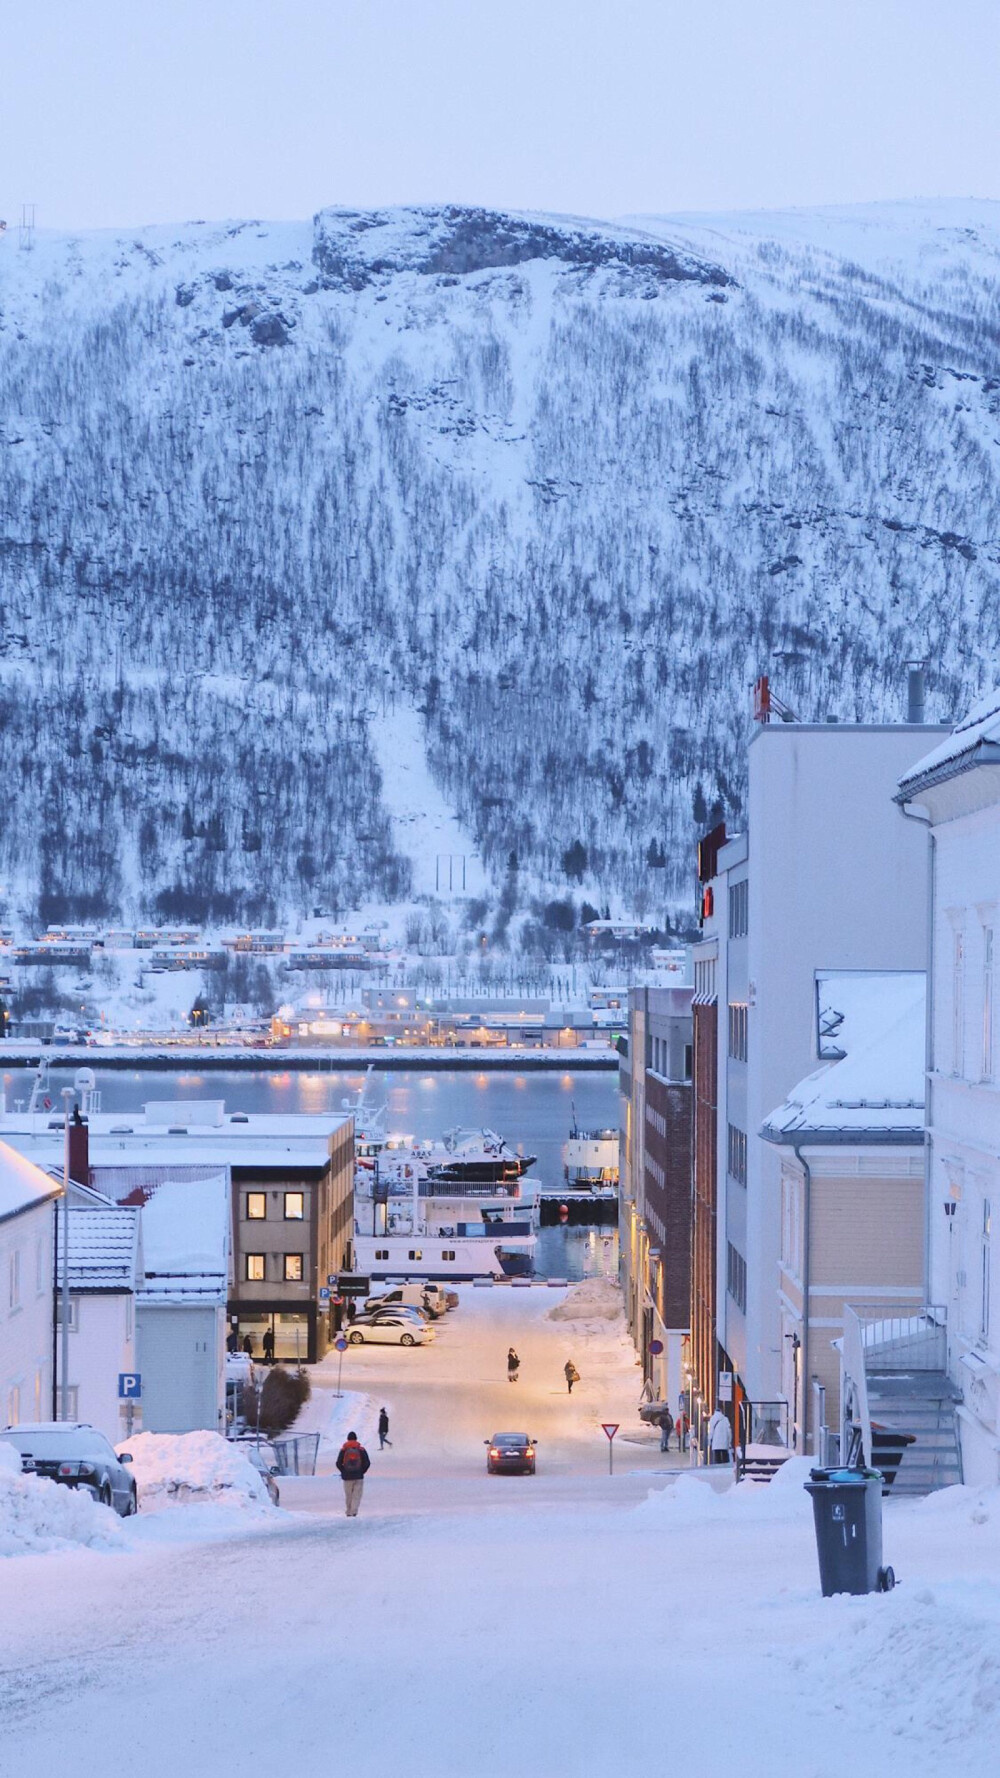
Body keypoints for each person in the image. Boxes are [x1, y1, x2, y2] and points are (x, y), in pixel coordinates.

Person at [336, 1431, 371, 1516]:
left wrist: (343, 1471)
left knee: (348, 1495)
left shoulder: (344, 1450)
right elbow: (367, 1463)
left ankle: (348, 1511)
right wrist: (362, 1471)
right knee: (356, 1495)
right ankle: (354, 1511)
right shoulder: (361, 1449)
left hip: (347, 1477)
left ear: (347, 1439)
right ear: (356, 1439)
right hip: (358, 1476)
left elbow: (338, 1463)